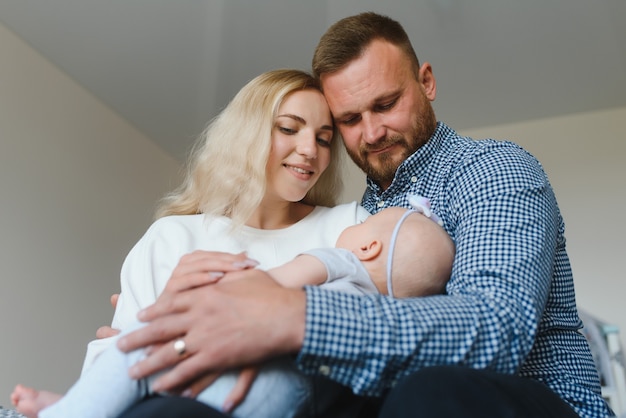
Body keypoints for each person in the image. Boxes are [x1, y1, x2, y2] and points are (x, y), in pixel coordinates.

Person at [80, 12, 610, 418]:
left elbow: (497, 330)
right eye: (349, 120)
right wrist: (159, 345)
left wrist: (293, 320)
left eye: (385, 105)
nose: (371, 132)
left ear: (426, 82)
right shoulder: (359, 215)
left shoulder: (494, 171)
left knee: (427, 394)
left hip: (529, 400)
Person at [11, 200, 455, 418]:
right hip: (280, 400)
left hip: (239, 372)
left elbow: (266, 285)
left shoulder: (340, 262)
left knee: (139, 356)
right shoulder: (370, 317)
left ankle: (70, 410)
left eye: (364, 225)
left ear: (369, 245)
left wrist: (220, 283)